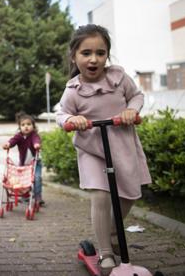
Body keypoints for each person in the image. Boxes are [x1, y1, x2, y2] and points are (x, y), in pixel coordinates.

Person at [55, 24, 152, 275]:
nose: (94, 59)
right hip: (91, 149)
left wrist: (132, 109)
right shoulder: (73, 89)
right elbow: (62, 112)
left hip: (122, 144)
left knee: (129, 195)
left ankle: (110, 233)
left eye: (100, 52)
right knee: (100, 196)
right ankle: (106, 252)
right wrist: (71, 120)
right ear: (74, 56)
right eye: (86, 53)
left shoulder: (118, 77)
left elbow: (137, 96)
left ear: (107, 55)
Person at [2, 112, 44, 204]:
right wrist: (8, 144)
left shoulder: (34, 135)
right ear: (19, 127)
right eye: (23, 125)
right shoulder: (19, 136)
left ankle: (38, 197)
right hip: (24, 163)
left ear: (33, 126)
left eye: (29, 124)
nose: (26, 127)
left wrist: (37, 144)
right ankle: (25, 196)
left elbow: (36, 140)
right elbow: (13, 141)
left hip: (36, 162)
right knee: (24, 180)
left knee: (36, 178)